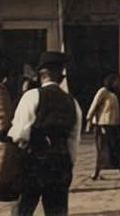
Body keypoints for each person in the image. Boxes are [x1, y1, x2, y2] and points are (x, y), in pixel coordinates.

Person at [9, 51, 83, 216]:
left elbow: (20, 133)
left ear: (41, 75)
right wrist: (67, 164)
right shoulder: (73, 102)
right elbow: (74, 140)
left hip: (33, 162)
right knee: (56, 211)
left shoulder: (32, 96)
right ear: (60, 77)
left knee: (22, 209)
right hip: (60, 164)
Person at [86, 73, 120, 181]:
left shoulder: (116, 93)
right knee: (102, 150)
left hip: (115, 125)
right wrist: (89, 120)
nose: (118, 83)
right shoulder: (103, 91)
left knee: (117, 149)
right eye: (116, 81)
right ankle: (97, 172)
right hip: (103, 125)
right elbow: (94, 106)